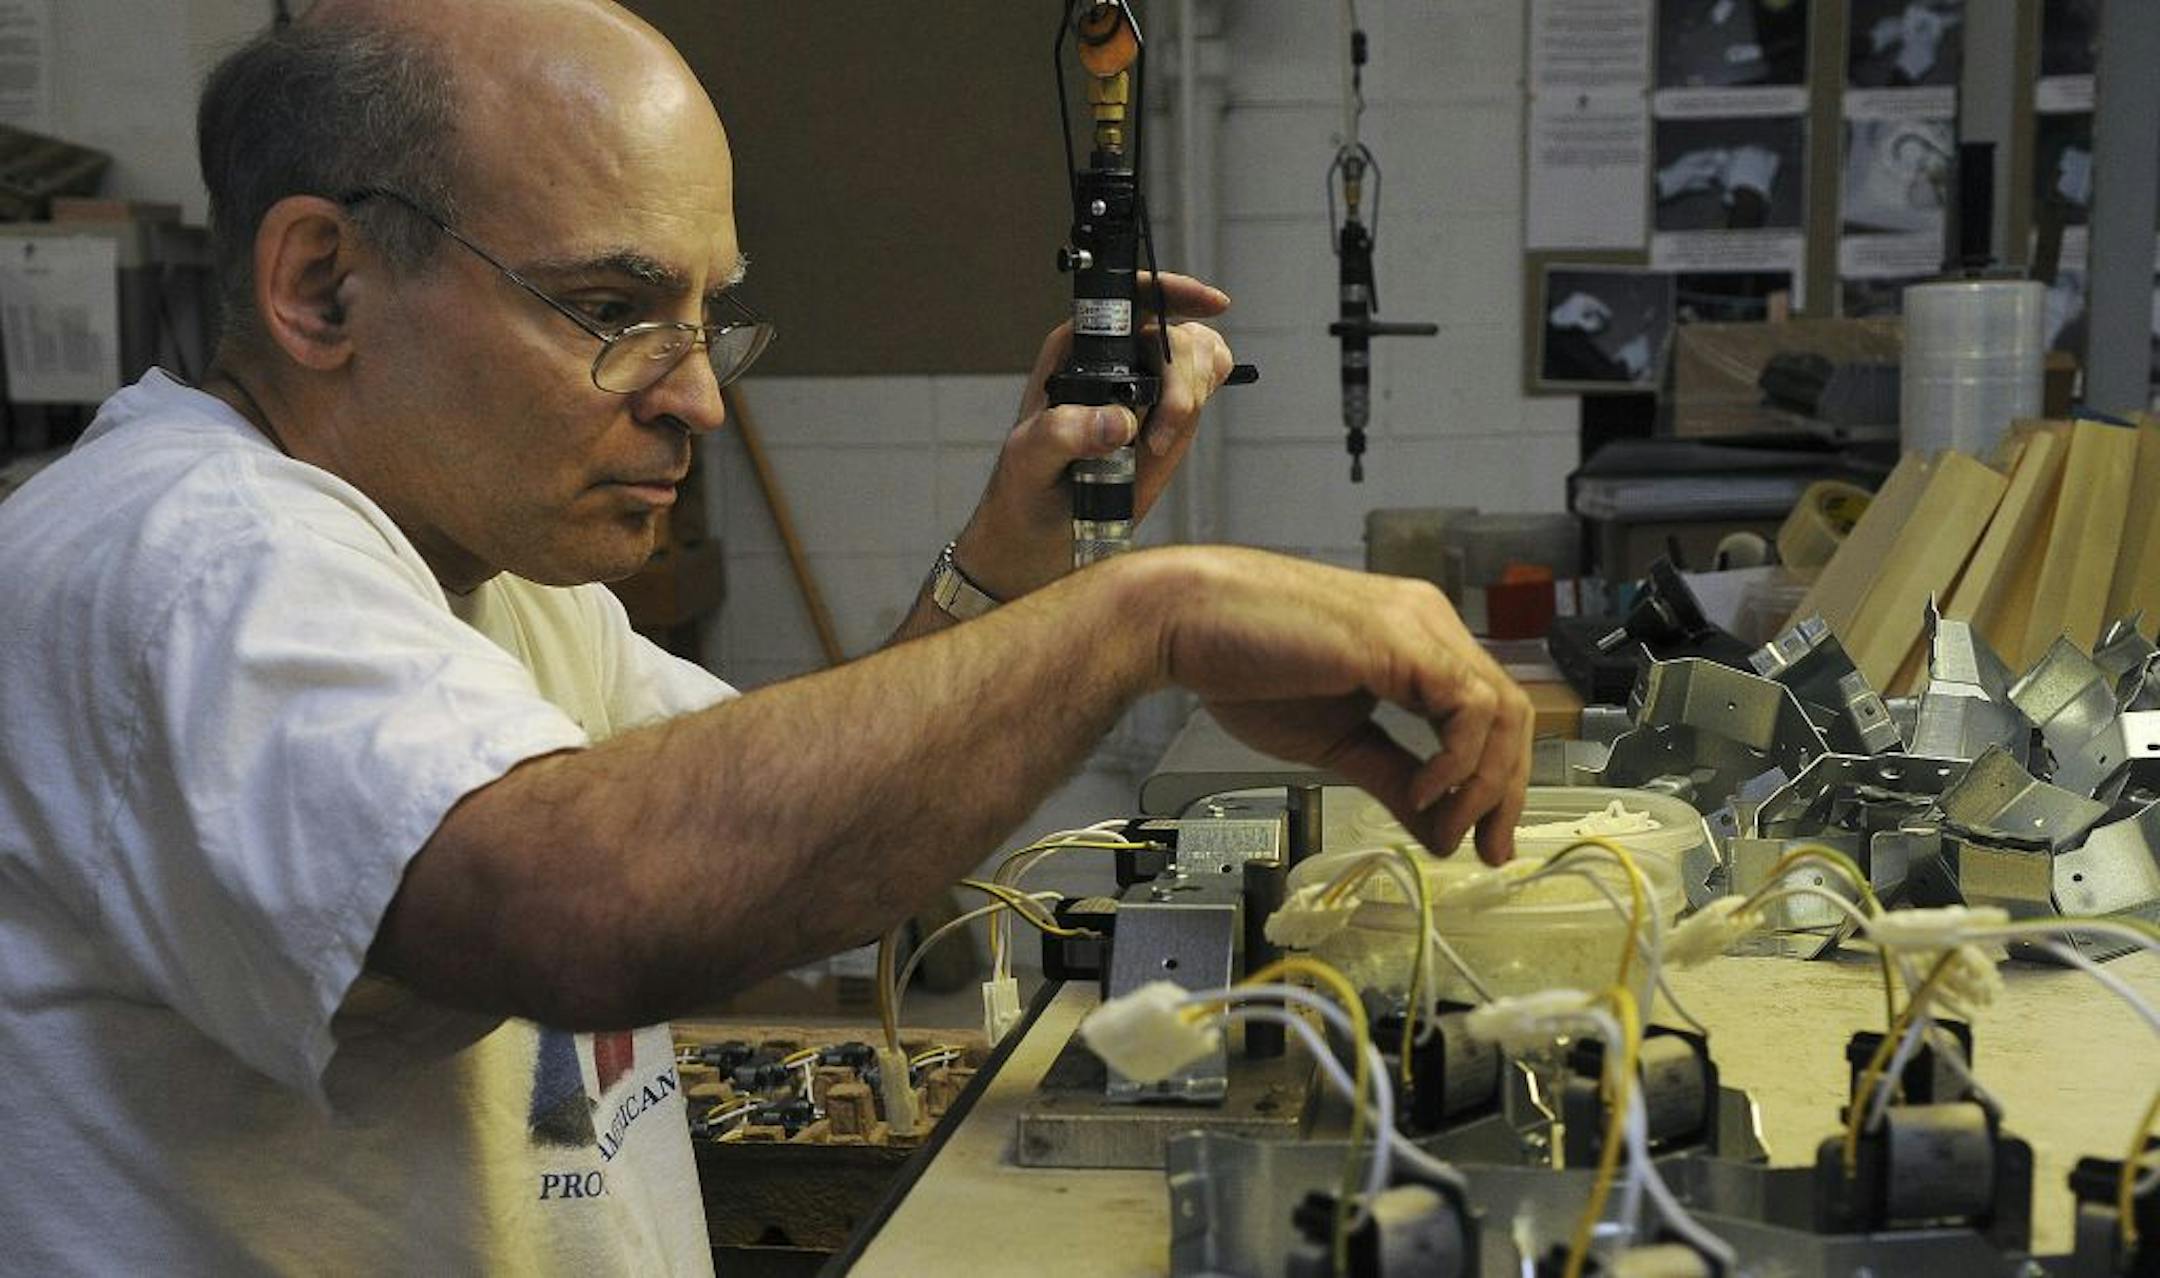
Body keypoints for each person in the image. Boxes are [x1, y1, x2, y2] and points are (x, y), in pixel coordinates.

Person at [0, 0, 1532, 1271]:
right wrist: (1143, 617)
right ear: (321, 284)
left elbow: (808, 836)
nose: (696, 396)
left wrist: (1019, 558)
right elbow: (592, 904)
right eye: (615, 308)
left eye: (708, 316)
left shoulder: (480, 568)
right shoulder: (191, 557)